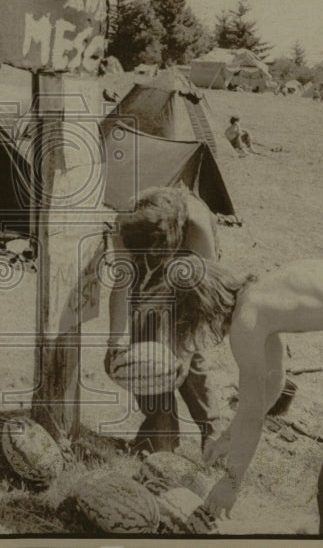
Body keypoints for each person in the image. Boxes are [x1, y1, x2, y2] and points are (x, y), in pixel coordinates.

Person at [172, 258, 323, 535]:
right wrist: (227, 438)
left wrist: (231, 483)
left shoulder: (246, 321)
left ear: (202, 310)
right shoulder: (260, 296)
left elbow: (251, 415)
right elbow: (274, 384)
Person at [106, 187, 223, 454]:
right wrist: (115, 342)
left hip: (194, 275)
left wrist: (183, 354)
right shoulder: (124, 222)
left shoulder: (197, 227)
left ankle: (212, 430)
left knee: (189, 359)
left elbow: (203, 305)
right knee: (143, 344)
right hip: (154, 248)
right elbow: (122, 285)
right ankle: (161, 432)